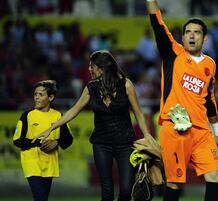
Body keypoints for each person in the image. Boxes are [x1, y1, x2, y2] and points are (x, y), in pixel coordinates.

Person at [139, 0, 218, 201]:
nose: (192, 36)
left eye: (197, 32)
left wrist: (217, 131)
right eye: (188, 32)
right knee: (174, 184)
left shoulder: (210, 65)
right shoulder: (173, 53)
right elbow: (157, 22)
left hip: (202, 131)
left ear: (204, 39)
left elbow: (209, 99)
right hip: (175, 129)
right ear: (183, 37)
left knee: (215, 176)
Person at [32, 50, 151, 201]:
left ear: (102, 68)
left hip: (125, 143)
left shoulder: (126, 85)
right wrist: (51, 128)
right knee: (107, 192)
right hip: (101, 144)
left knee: (126, 191)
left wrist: (147, 136)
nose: (89, 69)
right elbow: (74, 110)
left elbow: (138, 113)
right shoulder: (90, 88)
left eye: (92, 66)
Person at [13, 80, 73, 201]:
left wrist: (56, 142)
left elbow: (68, 139)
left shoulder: (58, 116)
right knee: (40, 197)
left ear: (51, 97)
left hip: (49, 163)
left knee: (42, 198)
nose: (36, 97)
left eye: (41, 94)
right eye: (35, 94)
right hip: (31, 161)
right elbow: (17, 140)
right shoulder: (27, 115)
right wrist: (38, 142)